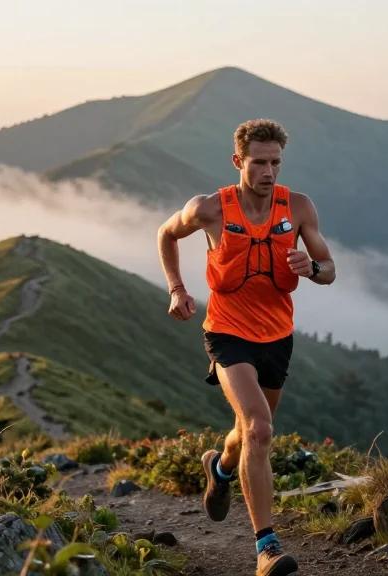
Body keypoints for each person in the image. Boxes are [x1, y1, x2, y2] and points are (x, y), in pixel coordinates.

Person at [157, 118, 336, 576]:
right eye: (259, 163)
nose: (269, 171)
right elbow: (166, 234)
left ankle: (219, 470)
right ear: (239, 161)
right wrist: (177, 289)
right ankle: (267, 548)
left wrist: (310, 267)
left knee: (248, 429)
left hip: (277, 337)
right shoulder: (210, 209)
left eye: (275, 162)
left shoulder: (297, 207)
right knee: (259, 428)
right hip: (226, 333)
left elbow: (330, 268)